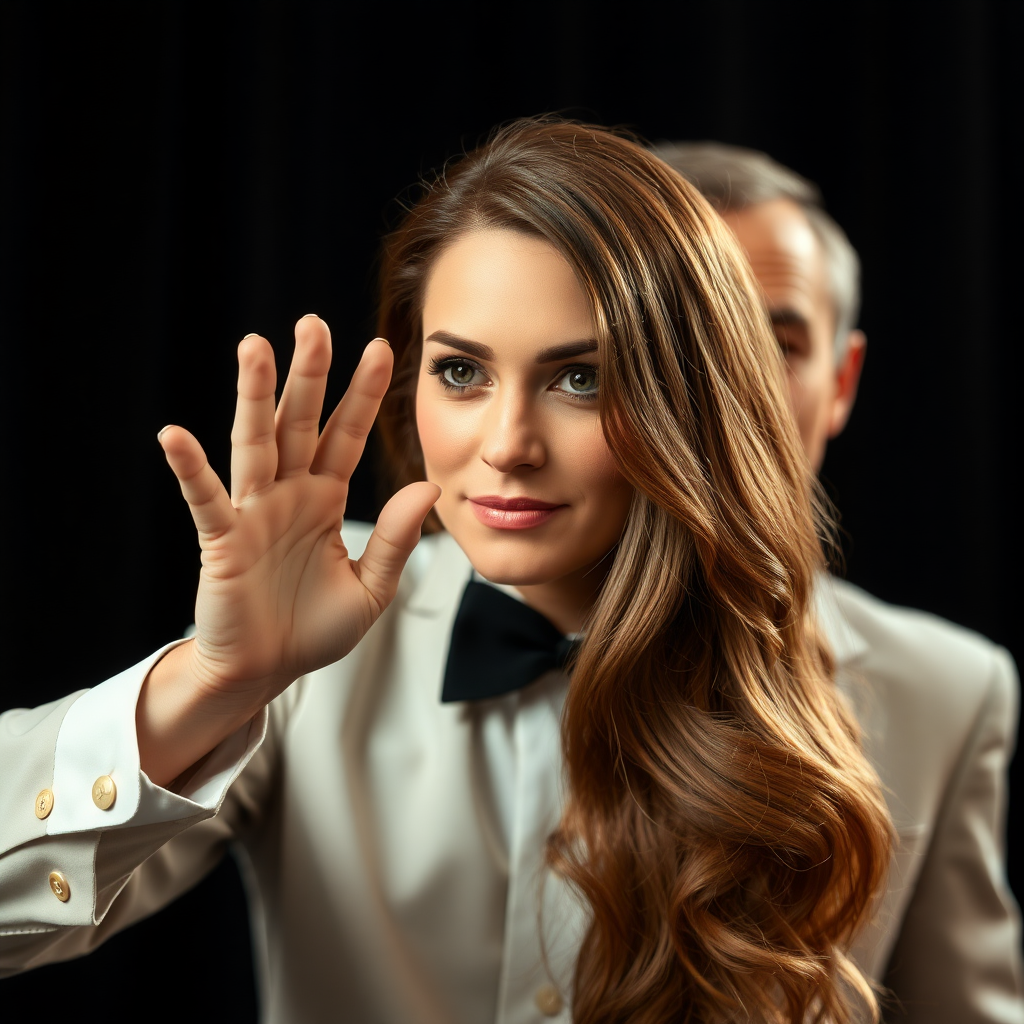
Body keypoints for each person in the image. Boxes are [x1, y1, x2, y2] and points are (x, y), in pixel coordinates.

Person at [0, 119, 896, 1024]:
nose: (506, 447)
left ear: (690, 398)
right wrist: (215, 680)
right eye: (462, 371)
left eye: (581, 379)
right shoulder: (306, 660)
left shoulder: (940, 694)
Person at [651, 141, 1024, 1023]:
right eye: (678, 338)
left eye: (774, 344)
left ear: (842, 381)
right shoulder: (328, 623)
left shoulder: (952, 691)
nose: (723, 392)